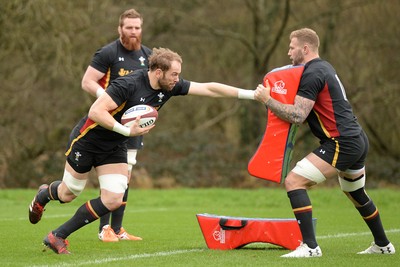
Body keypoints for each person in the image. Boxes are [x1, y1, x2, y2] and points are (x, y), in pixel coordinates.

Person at [29, 47, 256, 254]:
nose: (178, 79)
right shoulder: (127, 84)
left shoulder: (169, 87)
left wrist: (251, 95)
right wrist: (127, 132)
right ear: (158, 72)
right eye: (174, 74)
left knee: (114, 198)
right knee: (69, 193)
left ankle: (57, 235)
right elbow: (96, 111)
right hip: (88, 141)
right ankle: (43, 195)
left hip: (115, 145)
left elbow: (208, 88)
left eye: (178, 75)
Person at [254, 28, 395, 257]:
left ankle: (310, 247)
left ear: (305, 49)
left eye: (292, 47)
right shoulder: (324, 67)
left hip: (342, 142)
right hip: (357, 139)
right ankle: (383, 245)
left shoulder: (312, 73)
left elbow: (298, 116)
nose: (288, 52)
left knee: (294, 181)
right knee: (356, 193)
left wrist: (267, 100)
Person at [81, 8, 151, 242]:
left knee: (125, 177)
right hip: (109, 125)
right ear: (120, 29)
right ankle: (104, 229)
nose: (133, 32)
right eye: (129, 27)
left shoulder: (148, 57)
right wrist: (107, 99)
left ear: (142, 29)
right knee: (111, 178)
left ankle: (118, 229)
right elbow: (87, 81)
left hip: (134, 126)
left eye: (137, 27)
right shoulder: (109, 53)